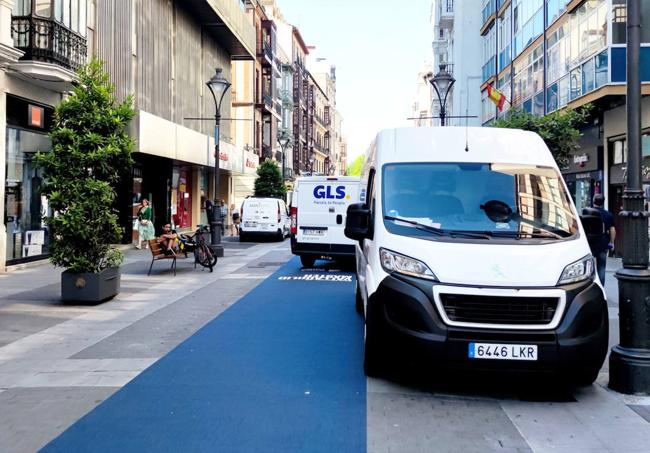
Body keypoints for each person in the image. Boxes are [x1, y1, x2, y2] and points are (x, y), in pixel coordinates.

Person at [589, 194, 616, 284]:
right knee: (601, 267)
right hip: (603, 243)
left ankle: (590, 288)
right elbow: (612, 230)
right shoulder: (608, 215)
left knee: (589, 268)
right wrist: (612, 243)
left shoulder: (587, 212)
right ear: (603, 202)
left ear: (593, 201)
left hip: (590, 245)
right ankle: (601, 289)